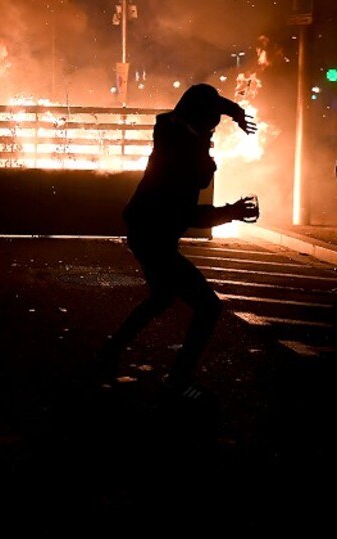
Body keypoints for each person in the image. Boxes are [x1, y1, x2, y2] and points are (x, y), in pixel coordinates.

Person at [94, 83, 259, 400]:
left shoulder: (177, 130)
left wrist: (235, 112)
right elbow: (185, 214)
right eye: (210, 131)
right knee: (208, 307)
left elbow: (206, 100)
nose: (211, 138)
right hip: (154, 236)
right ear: (199, 124)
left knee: (161, 298)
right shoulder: (182, 156)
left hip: (148, 230)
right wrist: (231, 212)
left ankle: (108, 354)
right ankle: (179, 380)